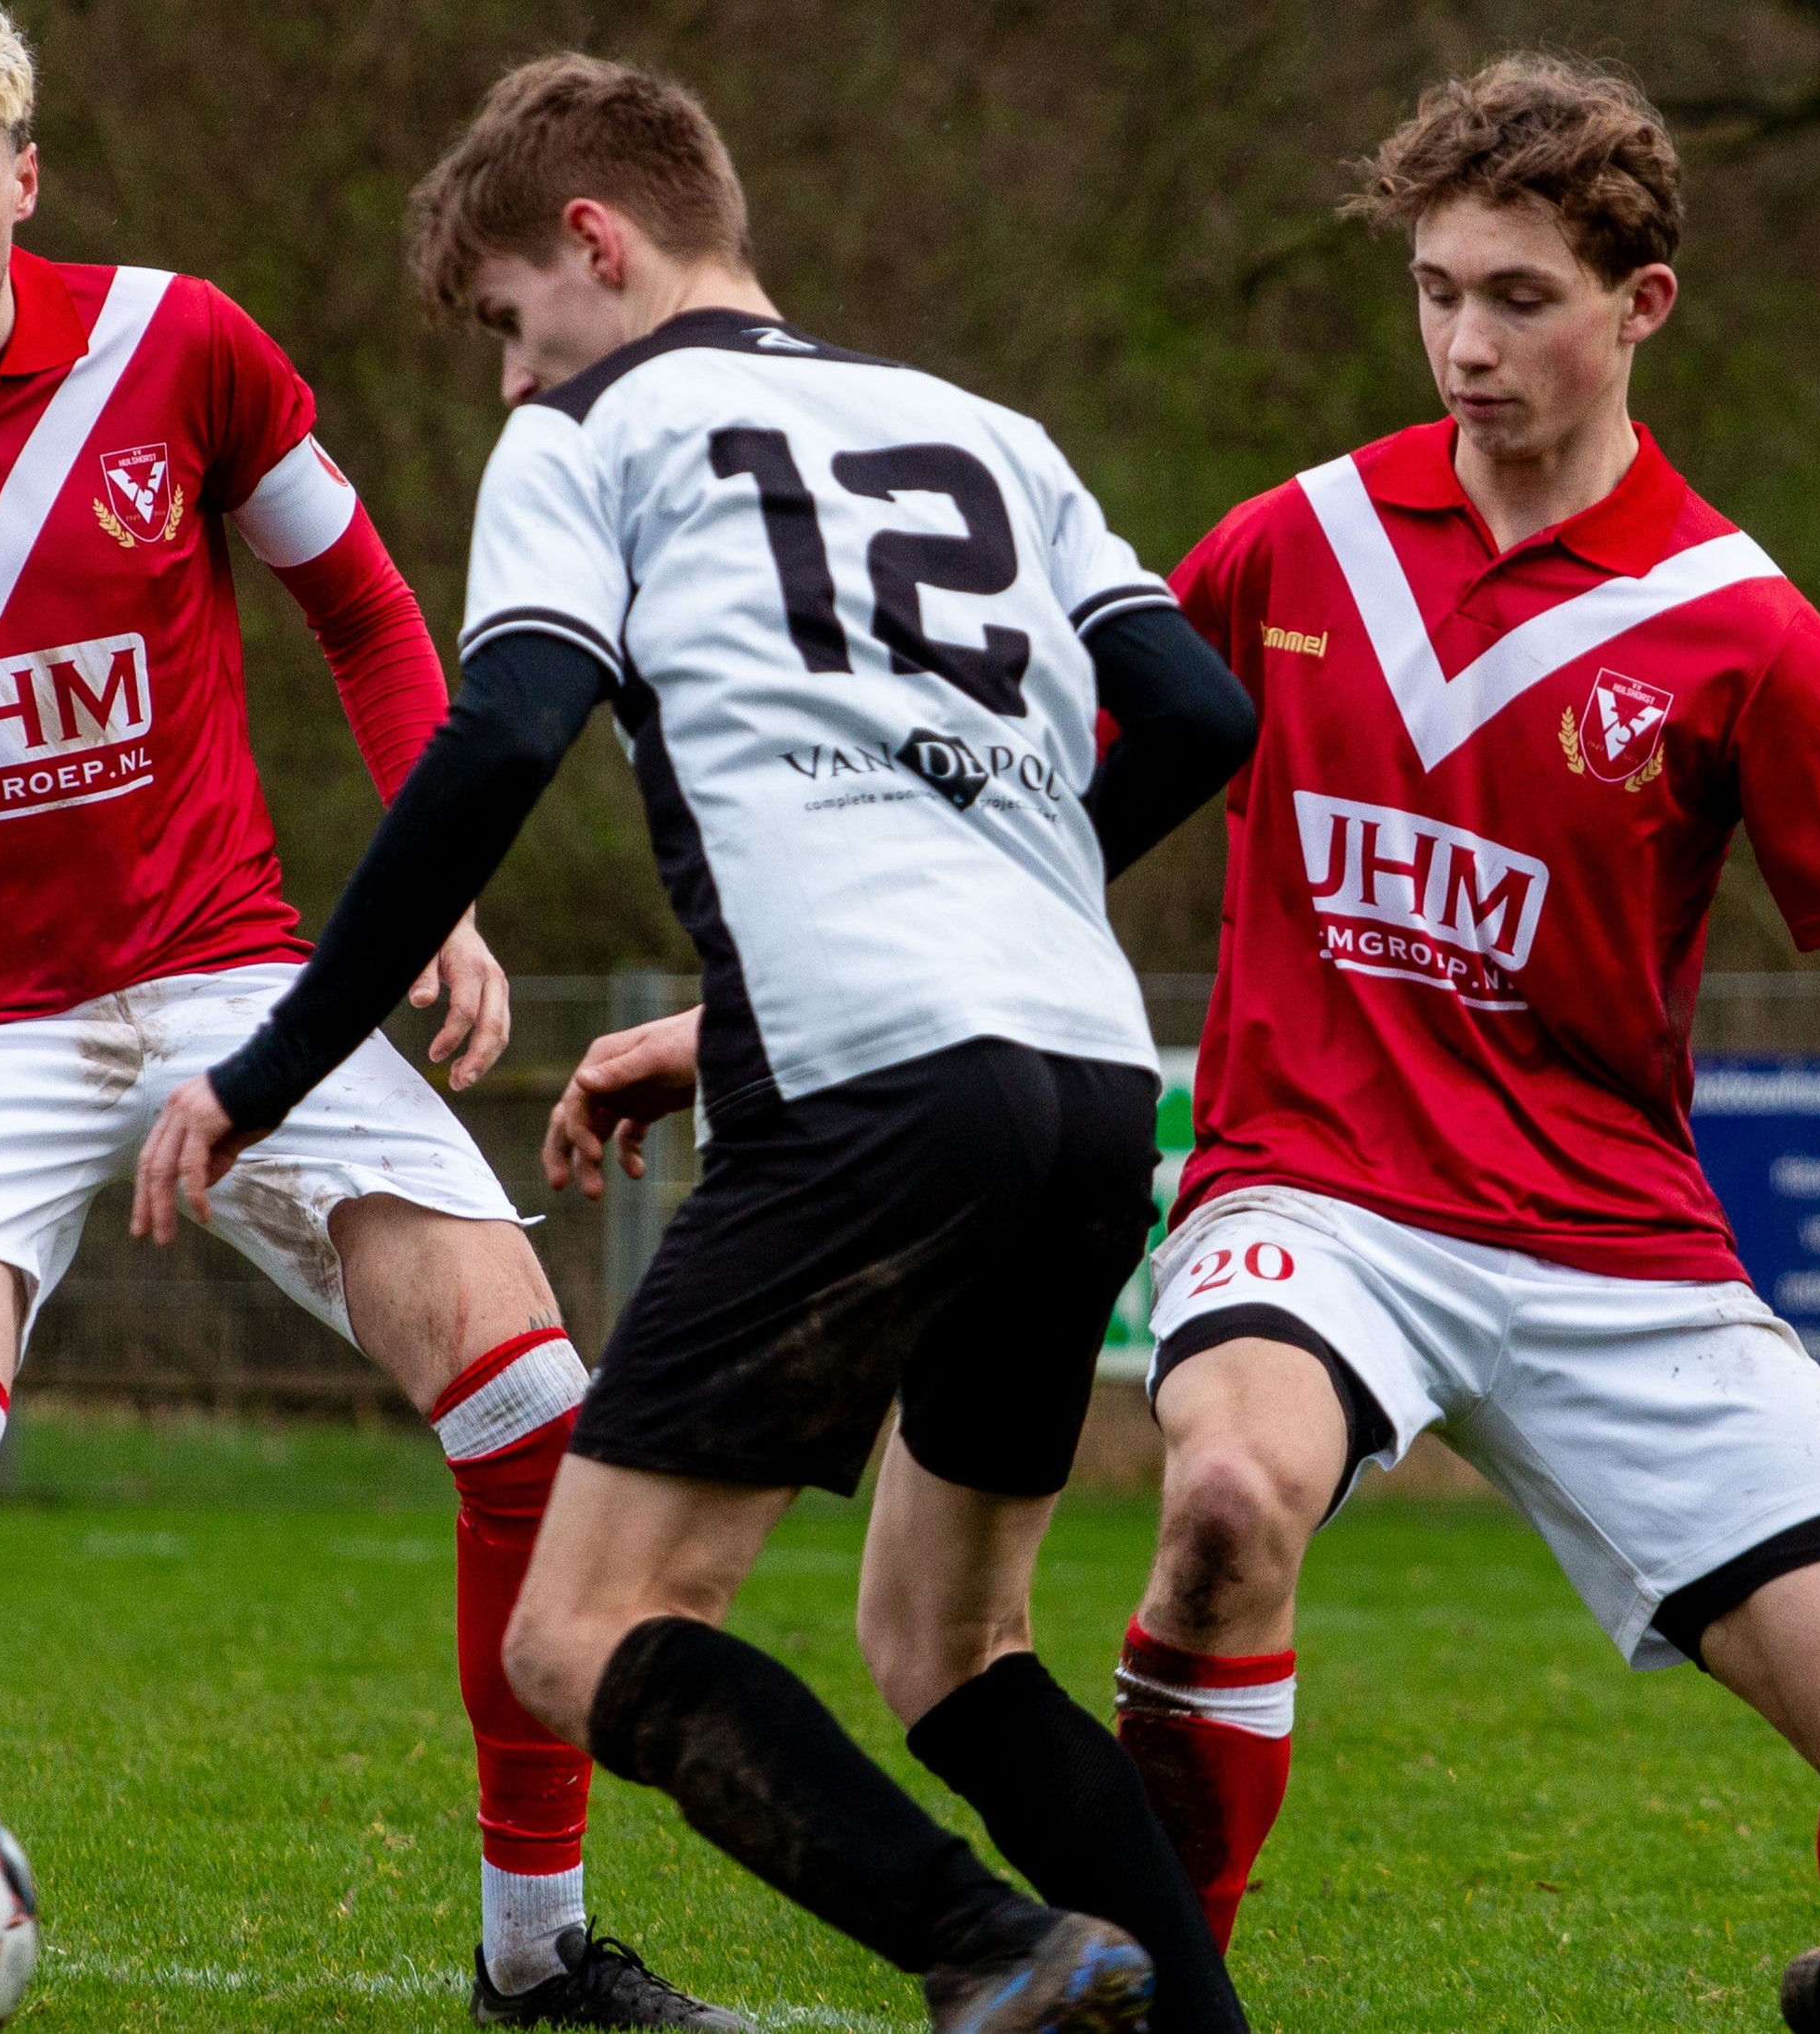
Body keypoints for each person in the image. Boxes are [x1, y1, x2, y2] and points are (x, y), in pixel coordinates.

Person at [0, 7, 740, 2027]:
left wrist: (428, 888)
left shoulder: (180, 345)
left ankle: (536, 1955)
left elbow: (372, 612)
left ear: (27, 173)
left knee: (535, 1407)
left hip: (235, 975)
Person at [131, 54, 1259, 2034]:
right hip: (1089, 1079)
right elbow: (1192, 713)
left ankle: (996, 1947)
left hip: (875, 1095)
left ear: (597, 240)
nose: (507, 379)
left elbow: (495, 740)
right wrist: (911, 933)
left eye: (505, 321)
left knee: (584, 1631)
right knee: (956, 1645)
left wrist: (264, 1072)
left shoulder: (598, 437)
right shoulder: (982, 426)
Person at [1089, 56, 1820, 2034]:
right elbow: (1042, 831)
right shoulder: (1291, 548)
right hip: (1318, 1191)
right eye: (1438, 289)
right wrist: (756, 1018)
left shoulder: (1740, 629)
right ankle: (1152, 2003)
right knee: (1219, 1506)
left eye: (1519, 296)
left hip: (1613, 1245)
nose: (1466, 342)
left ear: (1643, 306)